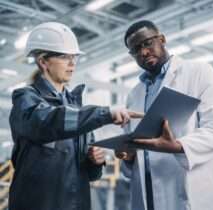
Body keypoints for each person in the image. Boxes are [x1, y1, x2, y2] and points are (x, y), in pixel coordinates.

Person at [8, 22, 142, 210]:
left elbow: (91, 175)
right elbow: (48, 122)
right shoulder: (26, 99)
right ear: (43, 61)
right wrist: (105, 113)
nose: (72, 63)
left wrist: (95, 161)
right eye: (64, 57)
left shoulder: (76, 109)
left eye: (74, 57)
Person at [116, 20, 213, 210]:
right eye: (136, 50)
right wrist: (128, 158)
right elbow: (137, 148)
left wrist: (178, 146)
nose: (143, 52)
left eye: (147, 43)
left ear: (162, 39)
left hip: (192, 191)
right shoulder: (133, 94)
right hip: (149, 197)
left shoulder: (198, 73)